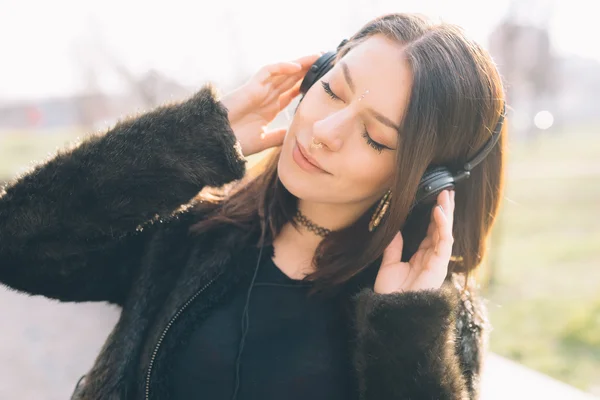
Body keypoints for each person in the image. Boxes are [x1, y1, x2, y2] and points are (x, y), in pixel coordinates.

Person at [0, 13, 505, 400]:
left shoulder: (423, 314)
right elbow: (15, 241)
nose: (325, 131)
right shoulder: (189, 233)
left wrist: (404, 336)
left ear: (423, 179)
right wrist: (192, 141)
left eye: (374, 136)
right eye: (331, 90)